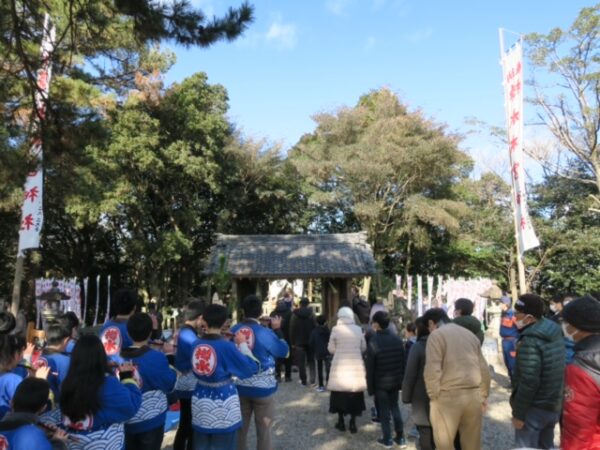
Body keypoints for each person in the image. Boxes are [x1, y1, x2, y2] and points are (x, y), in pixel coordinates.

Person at [190, 304, 259, 450]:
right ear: (224, 323)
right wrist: (243, 345)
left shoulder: (195, 344)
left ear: (204, 321)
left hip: (200, 399)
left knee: (201, 444)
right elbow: (250, 368)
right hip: (223, 402)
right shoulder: (227, 347)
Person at [423, 308, 490, 450]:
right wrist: (483, 395)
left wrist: (434, 396)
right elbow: (484, 369)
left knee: (444, 445)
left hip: (447, 397)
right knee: (472, 445)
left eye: (428, 327)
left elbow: (432, 370)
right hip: (473, 396)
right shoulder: (470, 335)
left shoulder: (436, 336)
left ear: (431, 323)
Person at [59, 334, 142, 448]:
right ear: (101, 356)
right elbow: (131, 406)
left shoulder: (66, 383)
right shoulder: (108, 383)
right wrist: (126, 377)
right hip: (104, 444)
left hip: (75, 443)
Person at [230, 295, 289, 450]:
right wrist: (277, 330)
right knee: (264, 431)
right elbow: (283, 351)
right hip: (263, 388)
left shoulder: (233, 331)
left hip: (239, 386)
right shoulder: (265, 332)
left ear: (243, 311)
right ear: (260, 312)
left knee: (239, 430)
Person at [510, 294, 565, 450]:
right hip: (553, 404)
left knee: (525, 446)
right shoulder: (552, 330)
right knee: (546, 445)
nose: (514, 317)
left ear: (529, 318)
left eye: (517, 313)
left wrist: (519, 414)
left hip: (534, 408)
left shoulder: (530, 341)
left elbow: (529, 380)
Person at [121, 313, 177, 450]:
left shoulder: (117, 358)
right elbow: (170, 384)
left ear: (128, 332)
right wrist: (169, 357)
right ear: (150, 332)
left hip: (125, 421)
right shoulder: (156, 357)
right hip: (151, 420)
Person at [560, 295, 600, 450]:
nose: (564, 326)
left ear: (579, 326)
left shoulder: (581, 368)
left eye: (566, 323)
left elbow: (578, 428)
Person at [366, 311, 407, 448]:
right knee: (395, 407)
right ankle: (400, 437)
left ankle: (387, 438)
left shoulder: (373, 341)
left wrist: (370, 387)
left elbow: (370, 367)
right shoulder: (397, 339)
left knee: (384, 411)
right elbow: (403, 361)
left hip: (380, 382)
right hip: (395, 380)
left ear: (376, 324)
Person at [327, 306, 367, 434]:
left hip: (340, 365)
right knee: (354, 393)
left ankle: (340, 421)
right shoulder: (358, 329)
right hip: (355, 365)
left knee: (339, 393)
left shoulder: (335, 329)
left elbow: (331, 349)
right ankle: (353, 423)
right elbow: (363, 347)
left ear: (339, 316)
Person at [0, 378, 68, 449]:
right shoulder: (32, 434)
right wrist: (59, 443)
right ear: (43, 408)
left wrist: (45, 438)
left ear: (11, 402)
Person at [174, 299, 206, 450]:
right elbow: (199, 350)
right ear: (199, 317)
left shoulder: (187, 331)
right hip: (188, 384)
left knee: (188, 422)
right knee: (188, 423)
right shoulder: (188, 334)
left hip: (189, 382)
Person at [402, 317, 435, 450]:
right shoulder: (444, 343)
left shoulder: (418, 347)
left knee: (425, 432)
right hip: (442, 395)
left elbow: (410, 375)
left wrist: (406, 397)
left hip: (422, 395)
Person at [100, 288, 137, 364]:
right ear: (134, 307)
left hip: (106, 370)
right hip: (127, 371)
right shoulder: (135, 328)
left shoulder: (104, 327)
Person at [290, 297, 316, 387]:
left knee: (301, 363)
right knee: (311, 361)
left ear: (300, 304)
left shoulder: (295, 315)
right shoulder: (311, 314)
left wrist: (292, 341)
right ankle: (312, 380)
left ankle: (303, 380)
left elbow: (291, 329)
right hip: (310, 341)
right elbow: (315, 327)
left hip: (298, 341)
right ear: (308, 304)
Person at [270, 300, 292, 382]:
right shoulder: (289, 313)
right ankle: (288, 376)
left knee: (277, 357)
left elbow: (270, 326)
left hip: (276, 338)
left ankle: (278, 376)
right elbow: (292, 326)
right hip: (287, 337)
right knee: (288, 357)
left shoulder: (273, 313)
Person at [499, 295, 519, 383]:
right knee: (507, 362)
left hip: (512, 342)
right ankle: (512, 382)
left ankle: (515, 384)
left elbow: (520, 327)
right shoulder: (504, 315)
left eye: (500, 303)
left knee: (513, 363)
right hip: (505, 342)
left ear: (506, 304)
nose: (499, 305)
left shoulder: (513, 315)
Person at [309, 314, 331, 393]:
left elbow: (311, 342)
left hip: (318, 352)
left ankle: (321, 385)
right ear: (325, 322)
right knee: (328, 368)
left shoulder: (314, 331)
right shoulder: (328, 331)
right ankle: (329, 383)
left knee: (319, 369)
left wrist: (313, 349)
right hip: (327, 351)